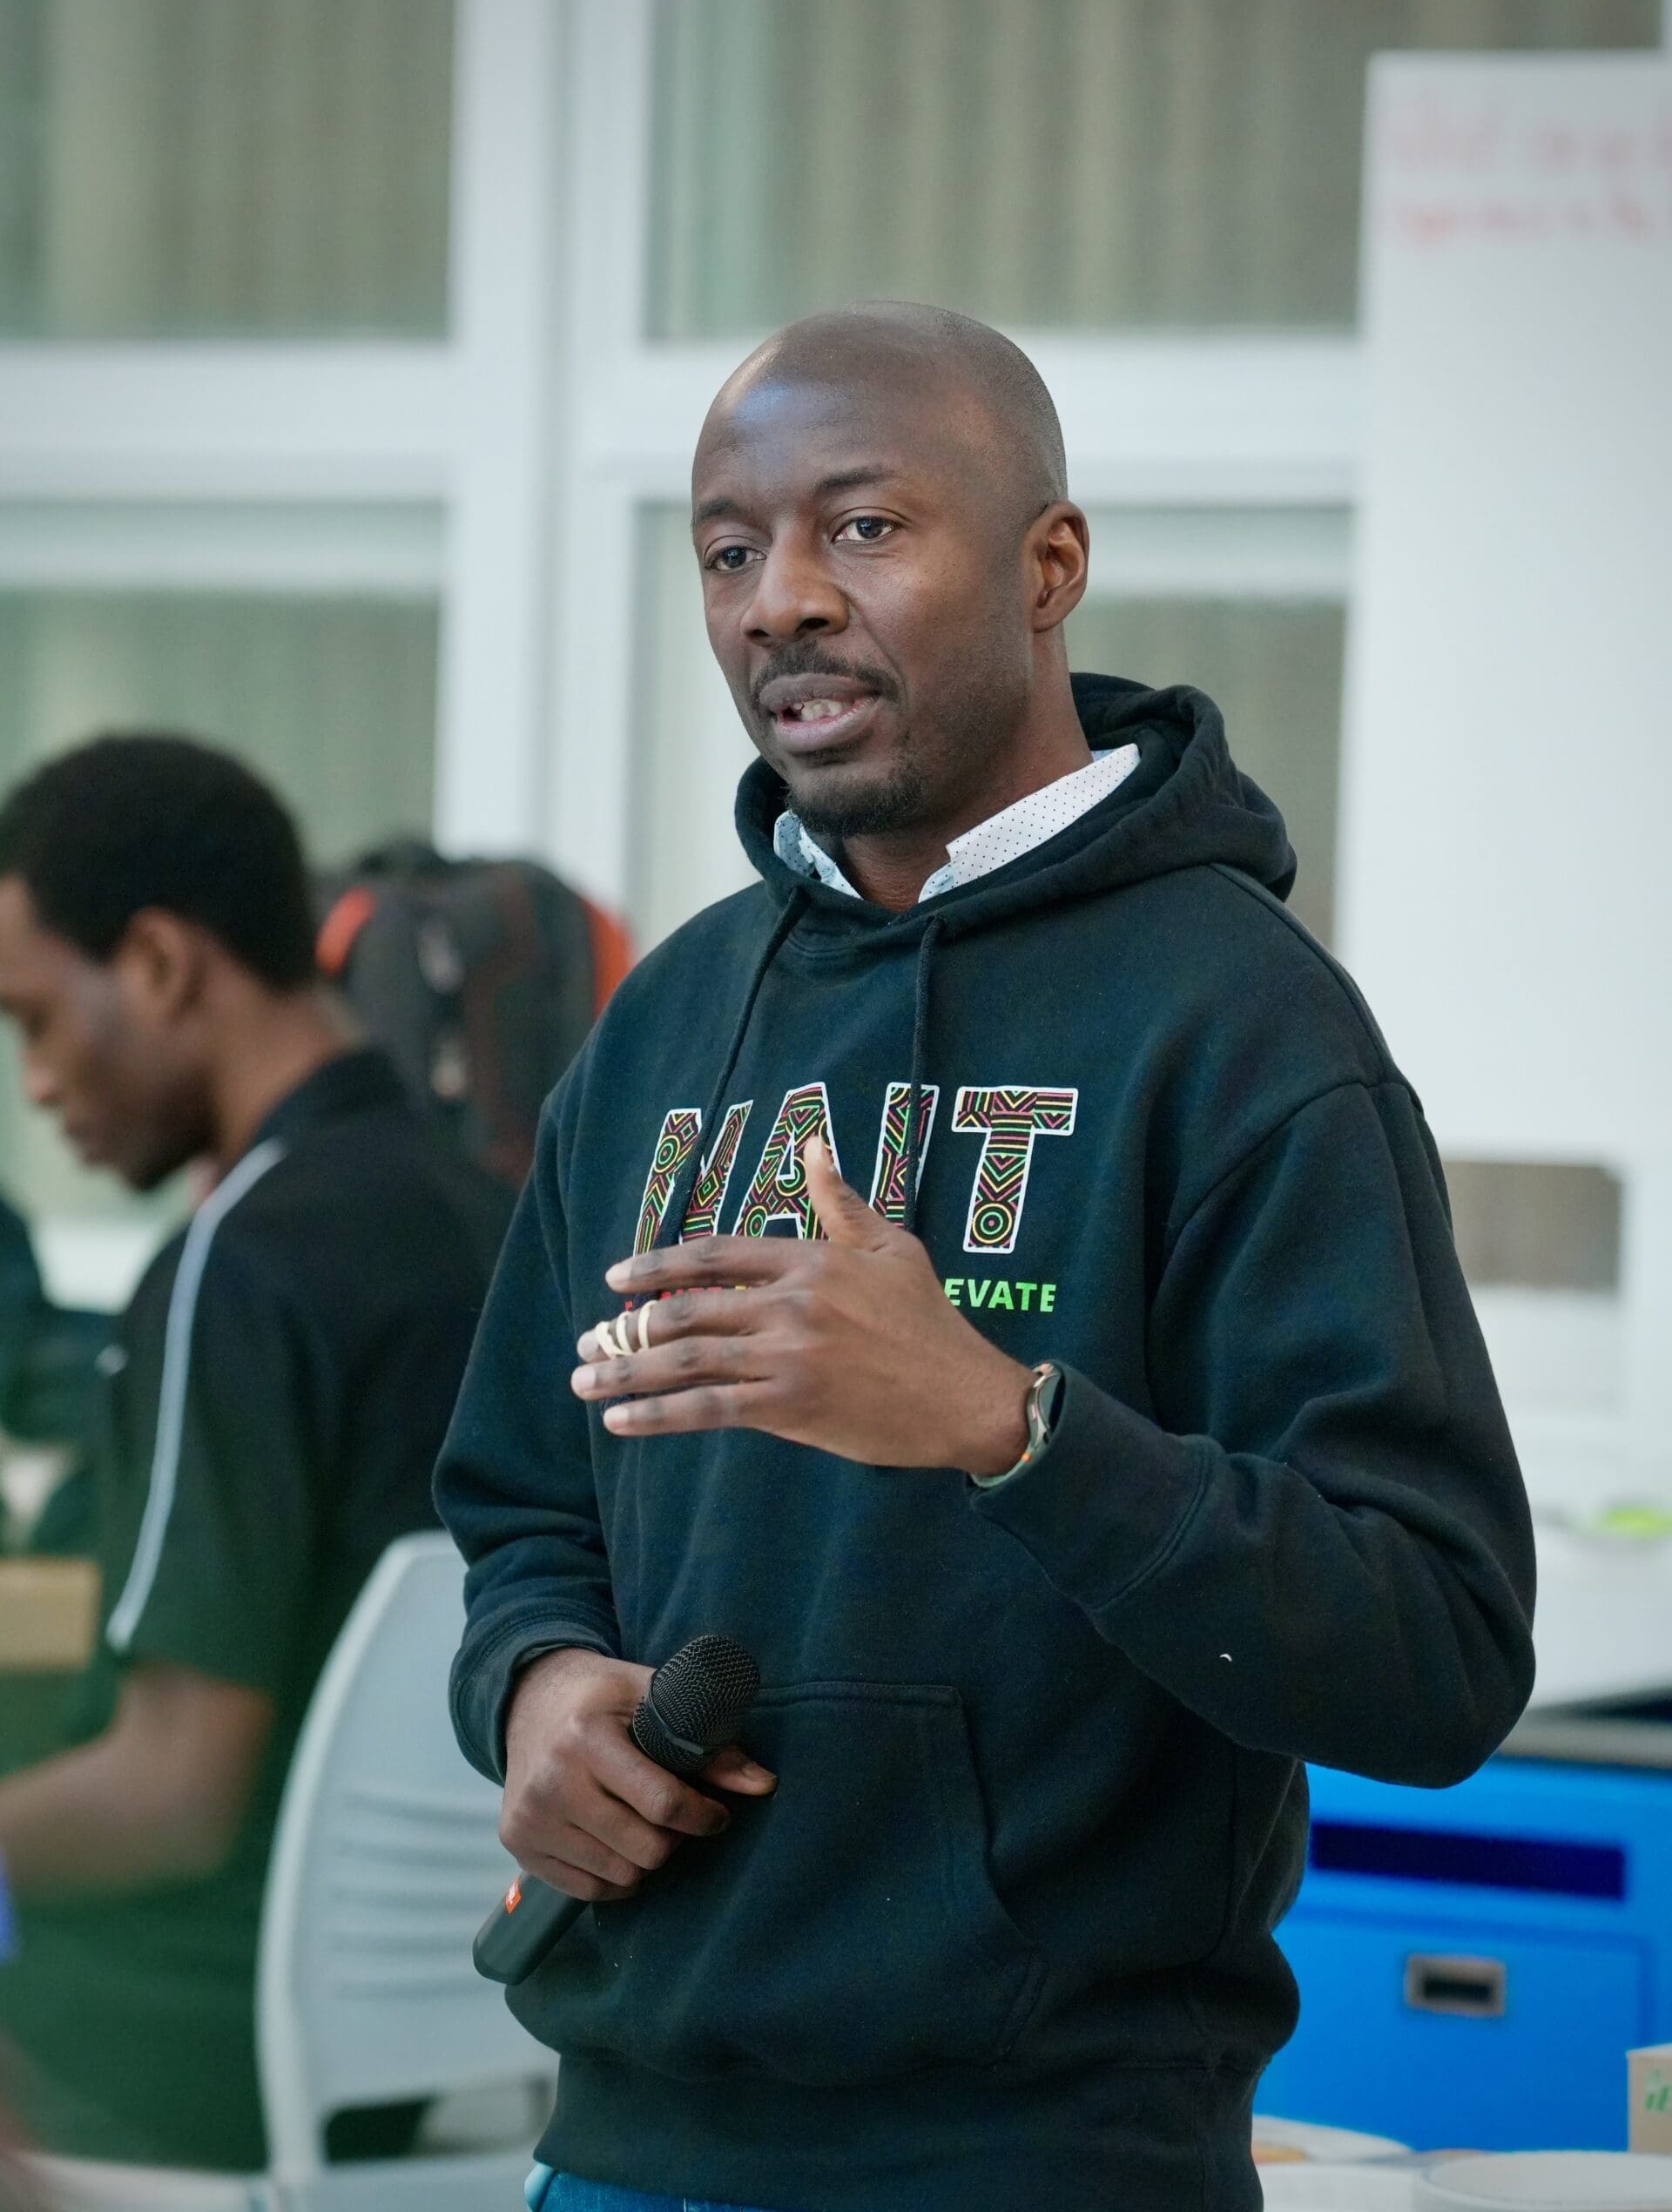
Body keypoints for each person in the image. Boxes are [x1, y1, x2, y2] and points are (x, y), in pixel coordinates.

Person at [437, 304, 1536, 2212]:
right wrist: (532, 1687)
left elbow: (1432, 1650)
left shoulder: (1242, 1029)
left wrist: (1005, 1422)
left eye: (861, 528)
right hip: (623, 2144)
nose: (778, 597)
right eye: (727, 545)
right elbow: (524, 1499)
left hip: (1038, 2158)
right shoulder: (674, 1016)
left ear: (1051, 568)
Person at [0, 736, 511, 2169]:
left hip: (173, 2041)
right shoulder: (472, 1213)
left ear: (159, 964)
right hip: (399, 2029)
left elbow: (172, 1795)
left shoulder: (241, 1262)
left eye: (33, 1020)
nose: (34, 1083)